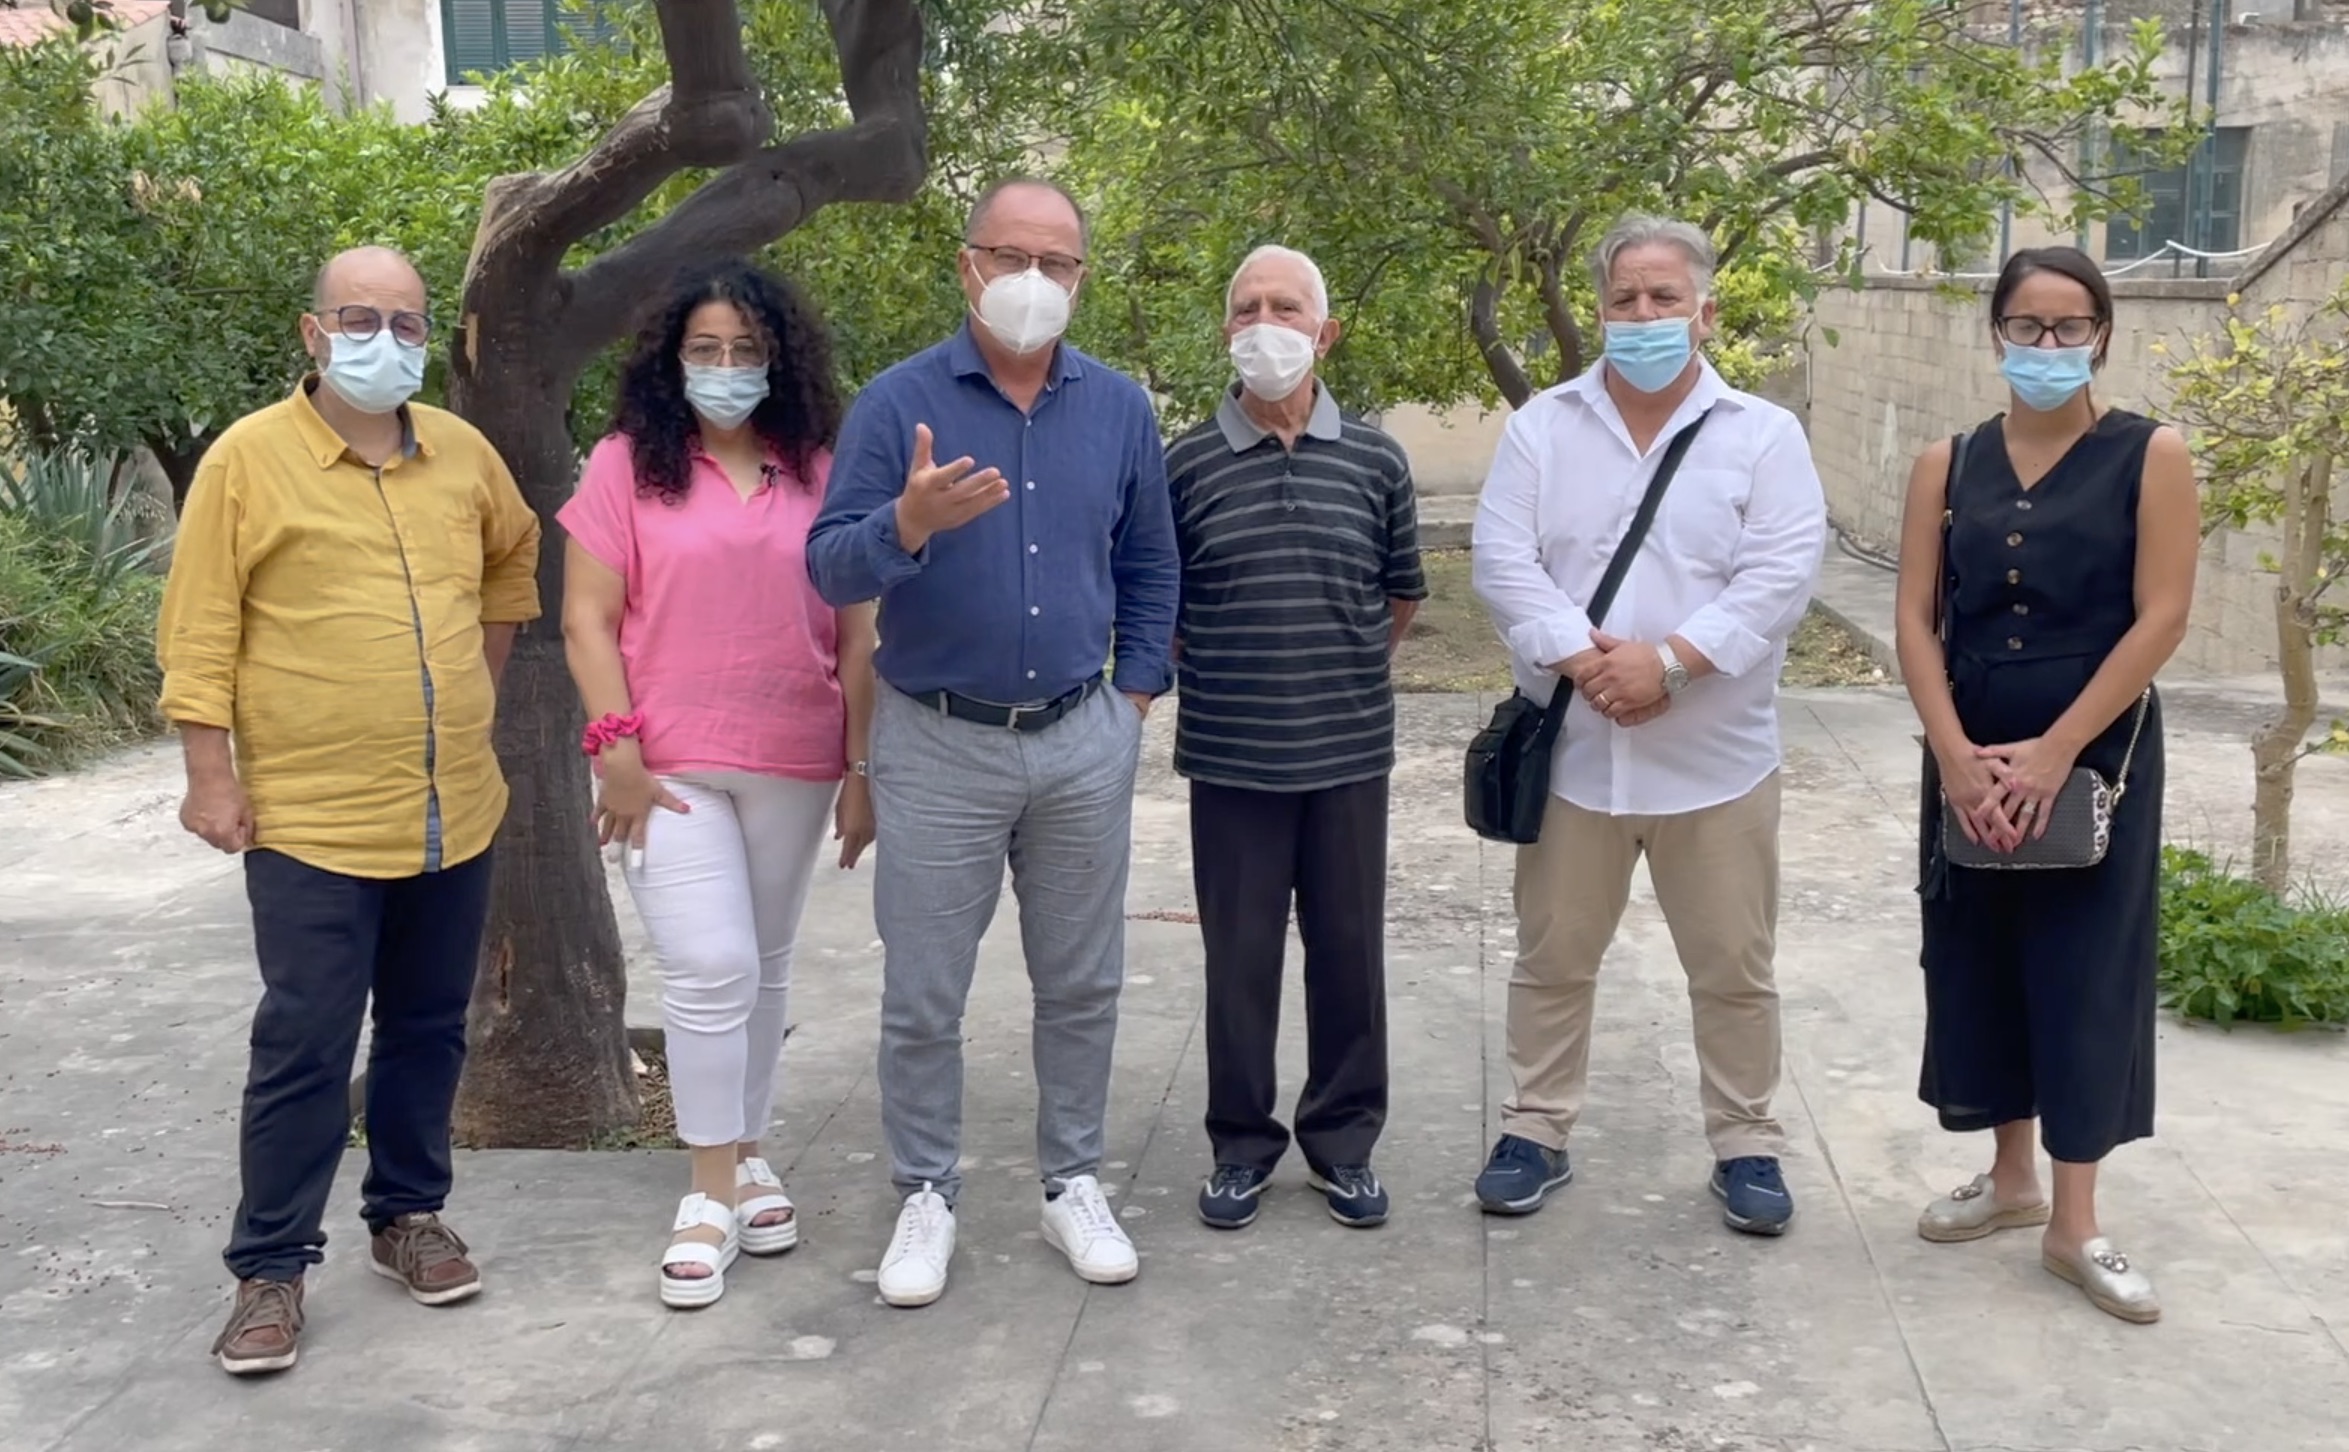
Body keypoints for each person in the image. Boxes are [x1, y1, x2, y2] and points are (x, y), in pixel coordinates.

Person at [158, 246, 541, 1375]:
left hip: (452, 811)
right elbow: (199, 628)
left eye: (409, 323)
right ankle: (271, 1268)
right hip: (309, 822)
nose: (388, 339)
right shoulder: (247, 461)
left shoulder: (464, 456)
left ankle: (407, 1218)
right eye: (362, 317)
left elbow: (512, 562)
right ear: (314, 331)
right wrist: (207, 774)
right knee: (305, 1045)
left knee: (429, 1029)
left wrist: (477, 686)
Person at [805, 177, 1179, 1307]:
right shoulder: (896, 403)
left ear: (1080, 277)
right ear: (967, 264)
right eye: (1007, 254)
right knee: (924, 990)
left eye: (1054, 262)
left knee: (1082, 982)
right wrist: (906, 525)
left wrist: (1135, 700)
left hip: (1079, 736)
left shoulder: (1118, 409)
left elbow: (1153, 563)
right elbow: (828, 566)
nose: (1030, 279)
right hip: (937, 741)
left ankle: (1072, 1180)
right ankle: (926, 1192)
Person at [1469, 214, 1826, 1235]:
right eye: (1624, 299)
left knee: (1734, 968)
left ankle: (1748, 1143)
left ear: (1705, 312)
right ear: (1601, 311)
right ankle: (1535, 1127)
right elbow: (1503, 563)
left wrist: (1668, 662)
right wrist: (1588, 661)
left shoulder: (1763, 436)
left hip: (1714, 763)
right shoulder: (1545, 426)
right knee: (1551, 959)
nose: (1643, 316)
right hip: (1576, 756)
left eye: (1664, 299)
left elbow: (1777, 578)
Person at [556, 260, 876, 1309]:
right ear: (671, 357)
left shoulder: (819, 467)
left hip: (796, 755)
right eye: (707, 348)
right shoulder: (625, 466)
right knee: (710, 966)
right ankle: (705, 1196)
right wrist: (615, 747)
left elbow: (858, 624)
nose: (728, 367)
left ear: (779, 359)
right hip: (669, 766)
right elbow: (587, 620)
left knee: (766, 969)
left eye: (748, 349)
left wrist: (863, 767)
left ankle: (746, 1153)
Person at [1893, 247, 2196, 1324]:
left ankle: (2076, 1221)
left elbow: (2161, 615)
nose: (2049, 346)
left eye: (2071, 328)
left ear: (2104, 335)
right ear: (1997, 334)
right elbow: (1917, 622)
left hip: (2094, 748)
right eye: (2029, 326)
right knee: (1976, 957)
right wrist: (1954, 755)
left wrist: (2060, 748)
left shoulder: (2149, 454)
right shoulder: (1949, 460)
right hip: (1968, 749)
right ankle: (2010, 1177)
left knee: (2082, 969)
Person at [1163, 245, 1426, 1232]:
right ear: (1227, 329)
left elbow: (1399, 597)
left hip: (1350, 755)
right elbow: (1171, 605)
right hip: (1231, 760)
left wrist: (1336, 670)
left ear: (1326, 332)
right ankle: (1241, 1147)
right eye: (1245, 308)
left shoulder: (1377, 459)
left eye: (1286, 307)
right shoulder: (1183, 463)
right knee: (1238, 962)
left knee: (1349, 956)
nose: (1264, 323)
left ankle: (1343, 1144)